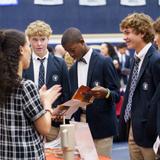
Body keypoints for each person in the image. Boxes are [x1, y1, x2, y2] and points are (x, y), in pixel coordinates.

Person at [0, 29, 62, 159]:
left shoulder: (5, 83)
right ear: (21, 50)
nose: (31, 50)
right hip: (27, 155)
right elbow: (45, 128)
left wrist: (37, 98)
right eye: (29, 45)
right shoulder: (26, 86)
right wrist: (46, 102)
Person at [61, 27, 120, 158]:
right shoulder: (72, 70)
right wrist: (62, 111)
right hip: (80, 124)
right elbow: (73, 99)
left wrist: (107, 93)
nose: (71, 54)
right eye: (67, 52)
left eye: (72, 50)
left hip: (102, 126)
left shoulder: (105, 62)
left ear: (82, 42)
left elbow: (116, 94)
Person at [119, 13, 160, 160]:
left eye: (128, 32)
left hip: (149, 134)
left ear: (142, 32)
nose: (124, 37)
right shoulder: (134, 59)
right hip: (133, 129)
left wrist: (152, 129)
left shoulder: (155, 60)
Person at [23, 20, 71, 141]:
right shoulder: (23, 64)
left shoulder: (60, 64)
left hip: (53, 126)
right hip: (29, 125)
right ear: (29, 40)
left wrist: (59, 112)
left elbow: (67, 95)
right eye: (35, 39)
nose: (39, 44)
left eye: (42, 39)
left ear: (48, 39)